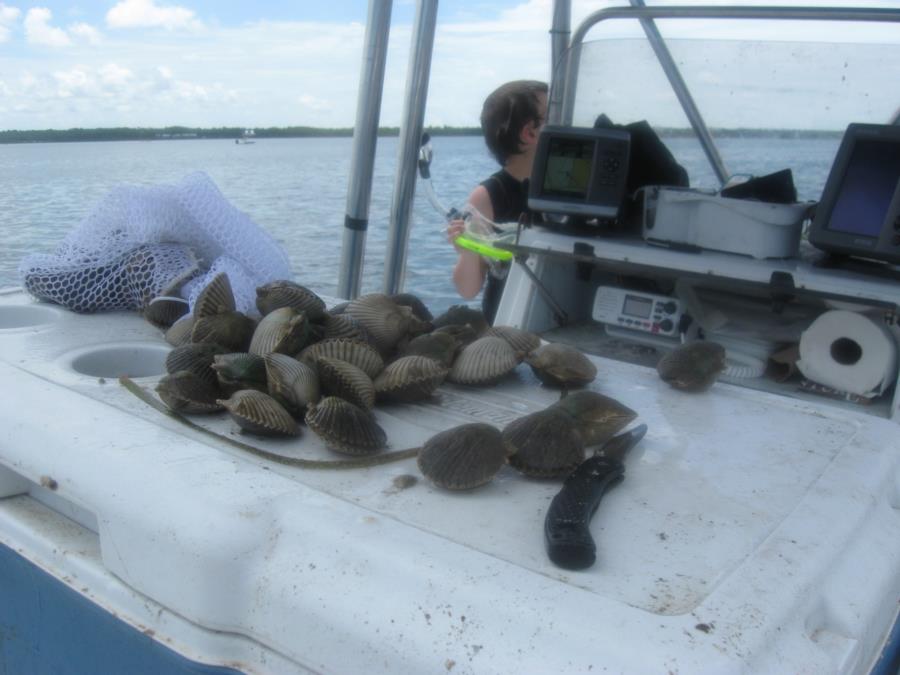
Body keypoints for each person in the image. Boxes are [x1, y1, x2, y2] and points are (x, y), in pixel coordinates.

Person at [447, 80, 548, 324]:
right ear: (530, 132)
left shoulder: (571, 188)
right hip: (507, 327)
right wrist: (469, 249)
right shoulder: (489, 195)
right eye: (557, 114)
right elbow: (468, 289)